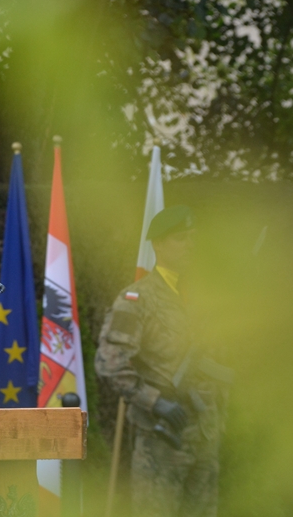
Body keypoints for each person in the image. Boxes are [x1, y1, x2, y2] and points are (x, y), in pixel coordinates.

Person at [95, 205, 231, 517]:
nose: (190, 245)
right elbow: (109, 364)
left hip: (204, 436)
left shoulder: (201, 298)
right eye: (181, 238)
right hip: (161, 440)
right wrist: (156, 402)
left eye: (192, 237)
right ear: (158, 244)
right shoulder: (137, 300)